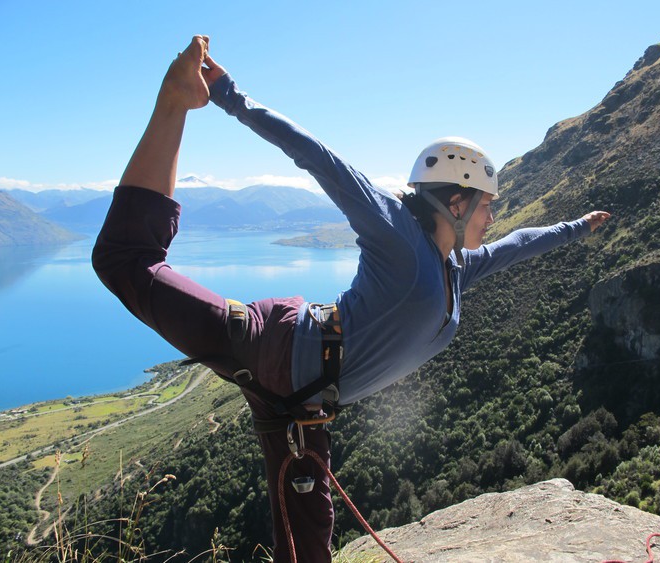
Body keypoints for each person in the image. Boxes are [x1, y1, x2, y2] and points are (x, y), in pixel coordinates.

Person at [92, 36, 610, 563]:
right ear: (456, 202)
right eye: (486, 206)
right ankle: (175, 101)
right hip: (269, 344)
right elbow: (321, 159)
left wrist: (576, 227)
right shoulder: (398, 237)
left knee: (308, 536)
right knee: (124, 261)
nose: (492, 219)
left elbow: (518, 245)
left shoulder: (456, 268)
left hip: (305, 402)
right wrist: (228, 95)